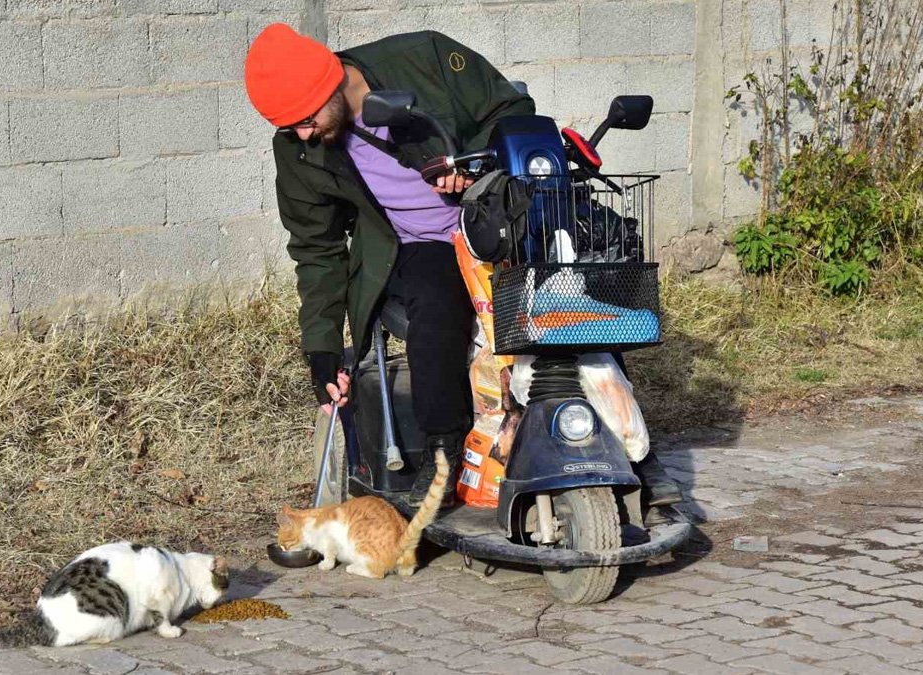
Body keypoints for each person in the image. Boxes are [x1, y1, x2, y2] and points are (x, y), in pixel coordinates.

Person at [243, 24, 682, 509]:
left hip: (501, 219)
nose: (304, 135)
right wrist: (322, 348)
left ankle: (633, 451)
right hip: (423, 241)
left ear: (327, 84)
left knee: (574, 309)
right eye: (290, 128)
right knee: (435, 320)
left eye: (305, 119)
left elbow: (512, 112)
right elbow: (316, 248)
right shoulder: (300, 149)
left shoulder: (423, 57)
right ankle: (445, 454)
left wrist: (472, 166)